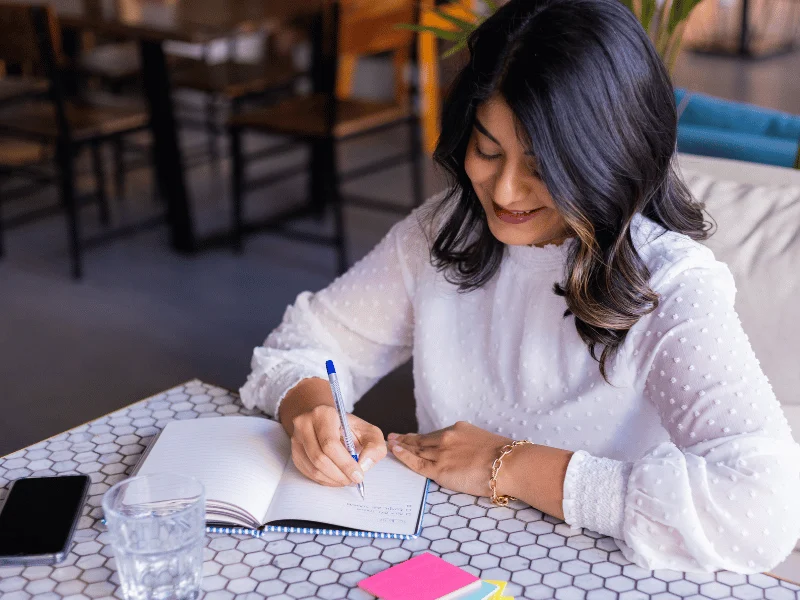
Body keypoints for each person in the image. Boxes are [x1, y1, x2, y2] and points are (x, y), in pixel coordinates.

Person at [240, 0, 800, 573]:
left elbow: (764, 510)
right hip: (444, 564)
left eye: (540, 166)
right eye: (487, 151)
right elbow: (302, 342)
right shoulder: (444, 233)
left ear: (607, 156)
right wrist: (311, 410)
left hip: (602, 575)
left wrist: (505, 464)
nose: (504, 192)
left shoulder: (669, 282)